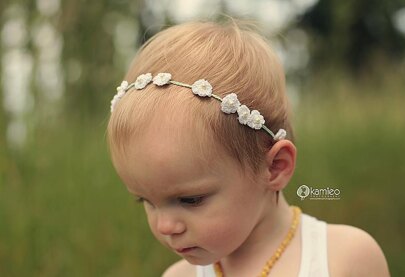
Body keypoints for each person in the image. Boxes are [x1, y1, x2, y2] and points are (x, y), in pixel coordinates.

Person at [106, 19, 390, 277]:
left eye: (191, 200)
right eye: (146, 201)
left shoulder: (344, 259)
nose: (165, 226)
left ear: (275, 166)